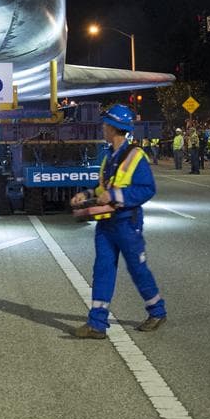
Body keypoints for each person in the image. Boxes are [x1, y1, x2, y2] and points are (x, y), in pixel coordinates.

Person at [70, 103, 167, 340]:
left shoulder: (135, 156)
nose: (102, 127)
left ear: (114, 127)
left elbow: (147, 189)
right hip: (107, 224)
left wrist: (115, 196)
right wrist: (88, 194)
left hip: (127, 223)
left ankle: (157, 310)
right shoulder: (108, 156)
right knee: (102, 269)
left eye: (105, 124)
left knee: (137, 269)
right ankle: (97, 323)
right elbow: (104, 187)